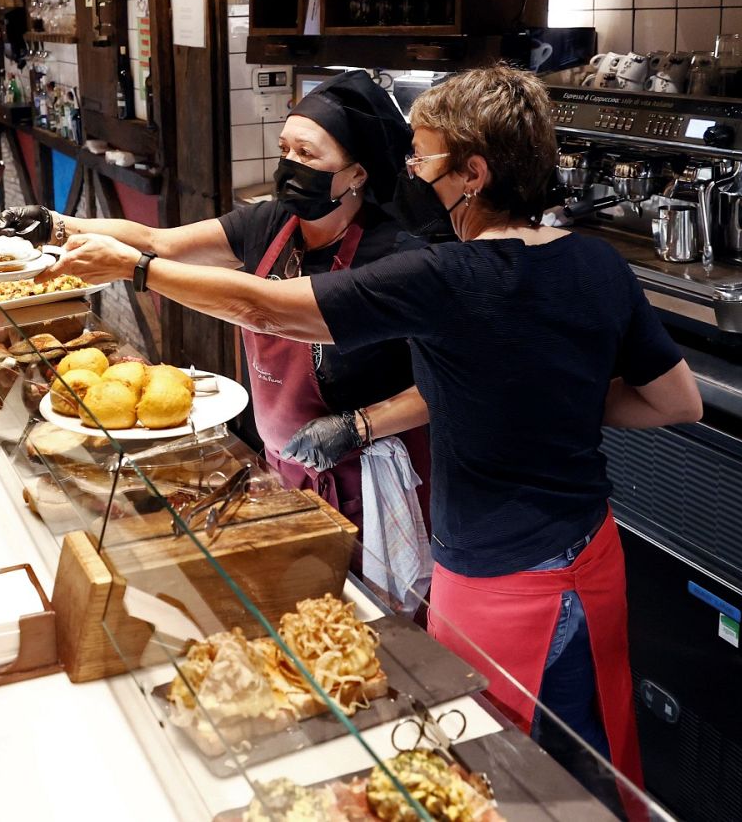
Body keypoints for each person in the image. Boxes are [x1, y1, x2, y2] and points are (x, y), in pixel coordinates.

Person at [45, 65, 703, 802]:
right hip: (593, 557)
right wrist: (560, 403)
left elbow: (268, 310)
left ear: (474, 173)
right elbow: (678, 402)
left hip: (500, 577)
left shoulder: (448, 273)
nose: (412, 173)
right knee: (588, 766)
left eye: (423, 159)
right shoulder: (596, 260)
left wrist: (141, 269)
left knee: (484, 780)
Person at [0, 72, 436, 546]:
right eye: (285, 149)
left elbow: (442, 382)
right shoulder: (270, 221)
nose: (289, 165)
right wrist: (54, 224)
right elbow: (157, 241)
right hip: (281, 460)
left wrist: (358, 426)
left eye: (308, 155)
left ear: (358, 173)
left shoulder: (394, 254)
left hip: (369, 472)